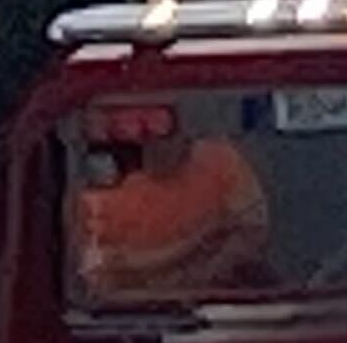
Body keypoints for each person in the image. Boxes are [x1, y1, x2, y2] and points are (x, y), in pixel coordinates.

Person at [73, 121, 274, 302]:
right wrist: (194, 242)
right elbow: (101, 263)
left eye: (161, 129)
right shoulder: (98, 188)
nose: (153, 142)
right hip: (127, 314)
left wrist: (210, 273)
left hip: (219, 305)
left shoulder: (219, 161)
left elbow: (251, 228)